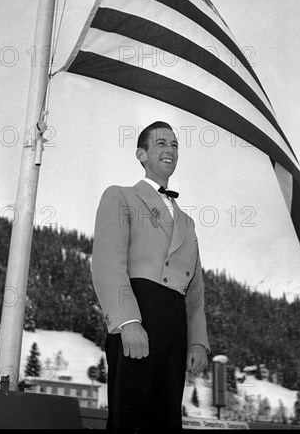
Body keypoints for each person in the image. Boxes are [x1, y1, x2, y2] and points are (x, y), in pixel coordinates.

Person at [92, 121, 210, 429]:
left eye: (174, 145)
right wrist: (127, 321)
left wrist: (198, 341)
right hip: (138, 313)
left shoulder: (188, 222)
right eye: (160, 144)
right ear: (141, 155)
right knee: (130, 417)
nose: (170, 150)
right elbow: (107, 264)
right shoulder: (120, 196)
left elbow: (195, 291)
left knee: (166, 419)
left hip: (176, 325)